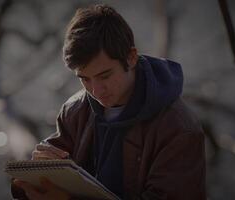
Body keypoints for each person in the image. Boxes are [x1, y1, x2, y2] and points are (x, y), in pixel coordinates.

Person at [12, 4, 206, 200]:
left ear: (131, 57)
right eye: (84, 79)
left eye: (104, 75)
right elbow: (39, 184)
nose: (95, 91)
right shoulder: (75, 111)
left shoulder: (179, 129)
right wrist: (37, 173)